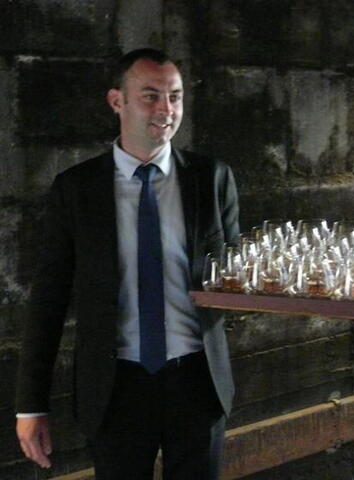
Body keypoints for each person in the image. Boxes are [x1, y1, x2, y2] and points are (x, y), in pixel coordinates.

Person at [15, 48, 239, 480]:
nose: (166, 110)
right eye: (151, 96)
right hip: (115, 388)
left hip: (198, 382)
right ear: (117, 101)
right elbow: (48, 300)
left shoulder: (212, 179)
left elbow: (238, 275)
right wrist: (31, 405)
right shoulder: (77, 190)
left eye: (175, 96)